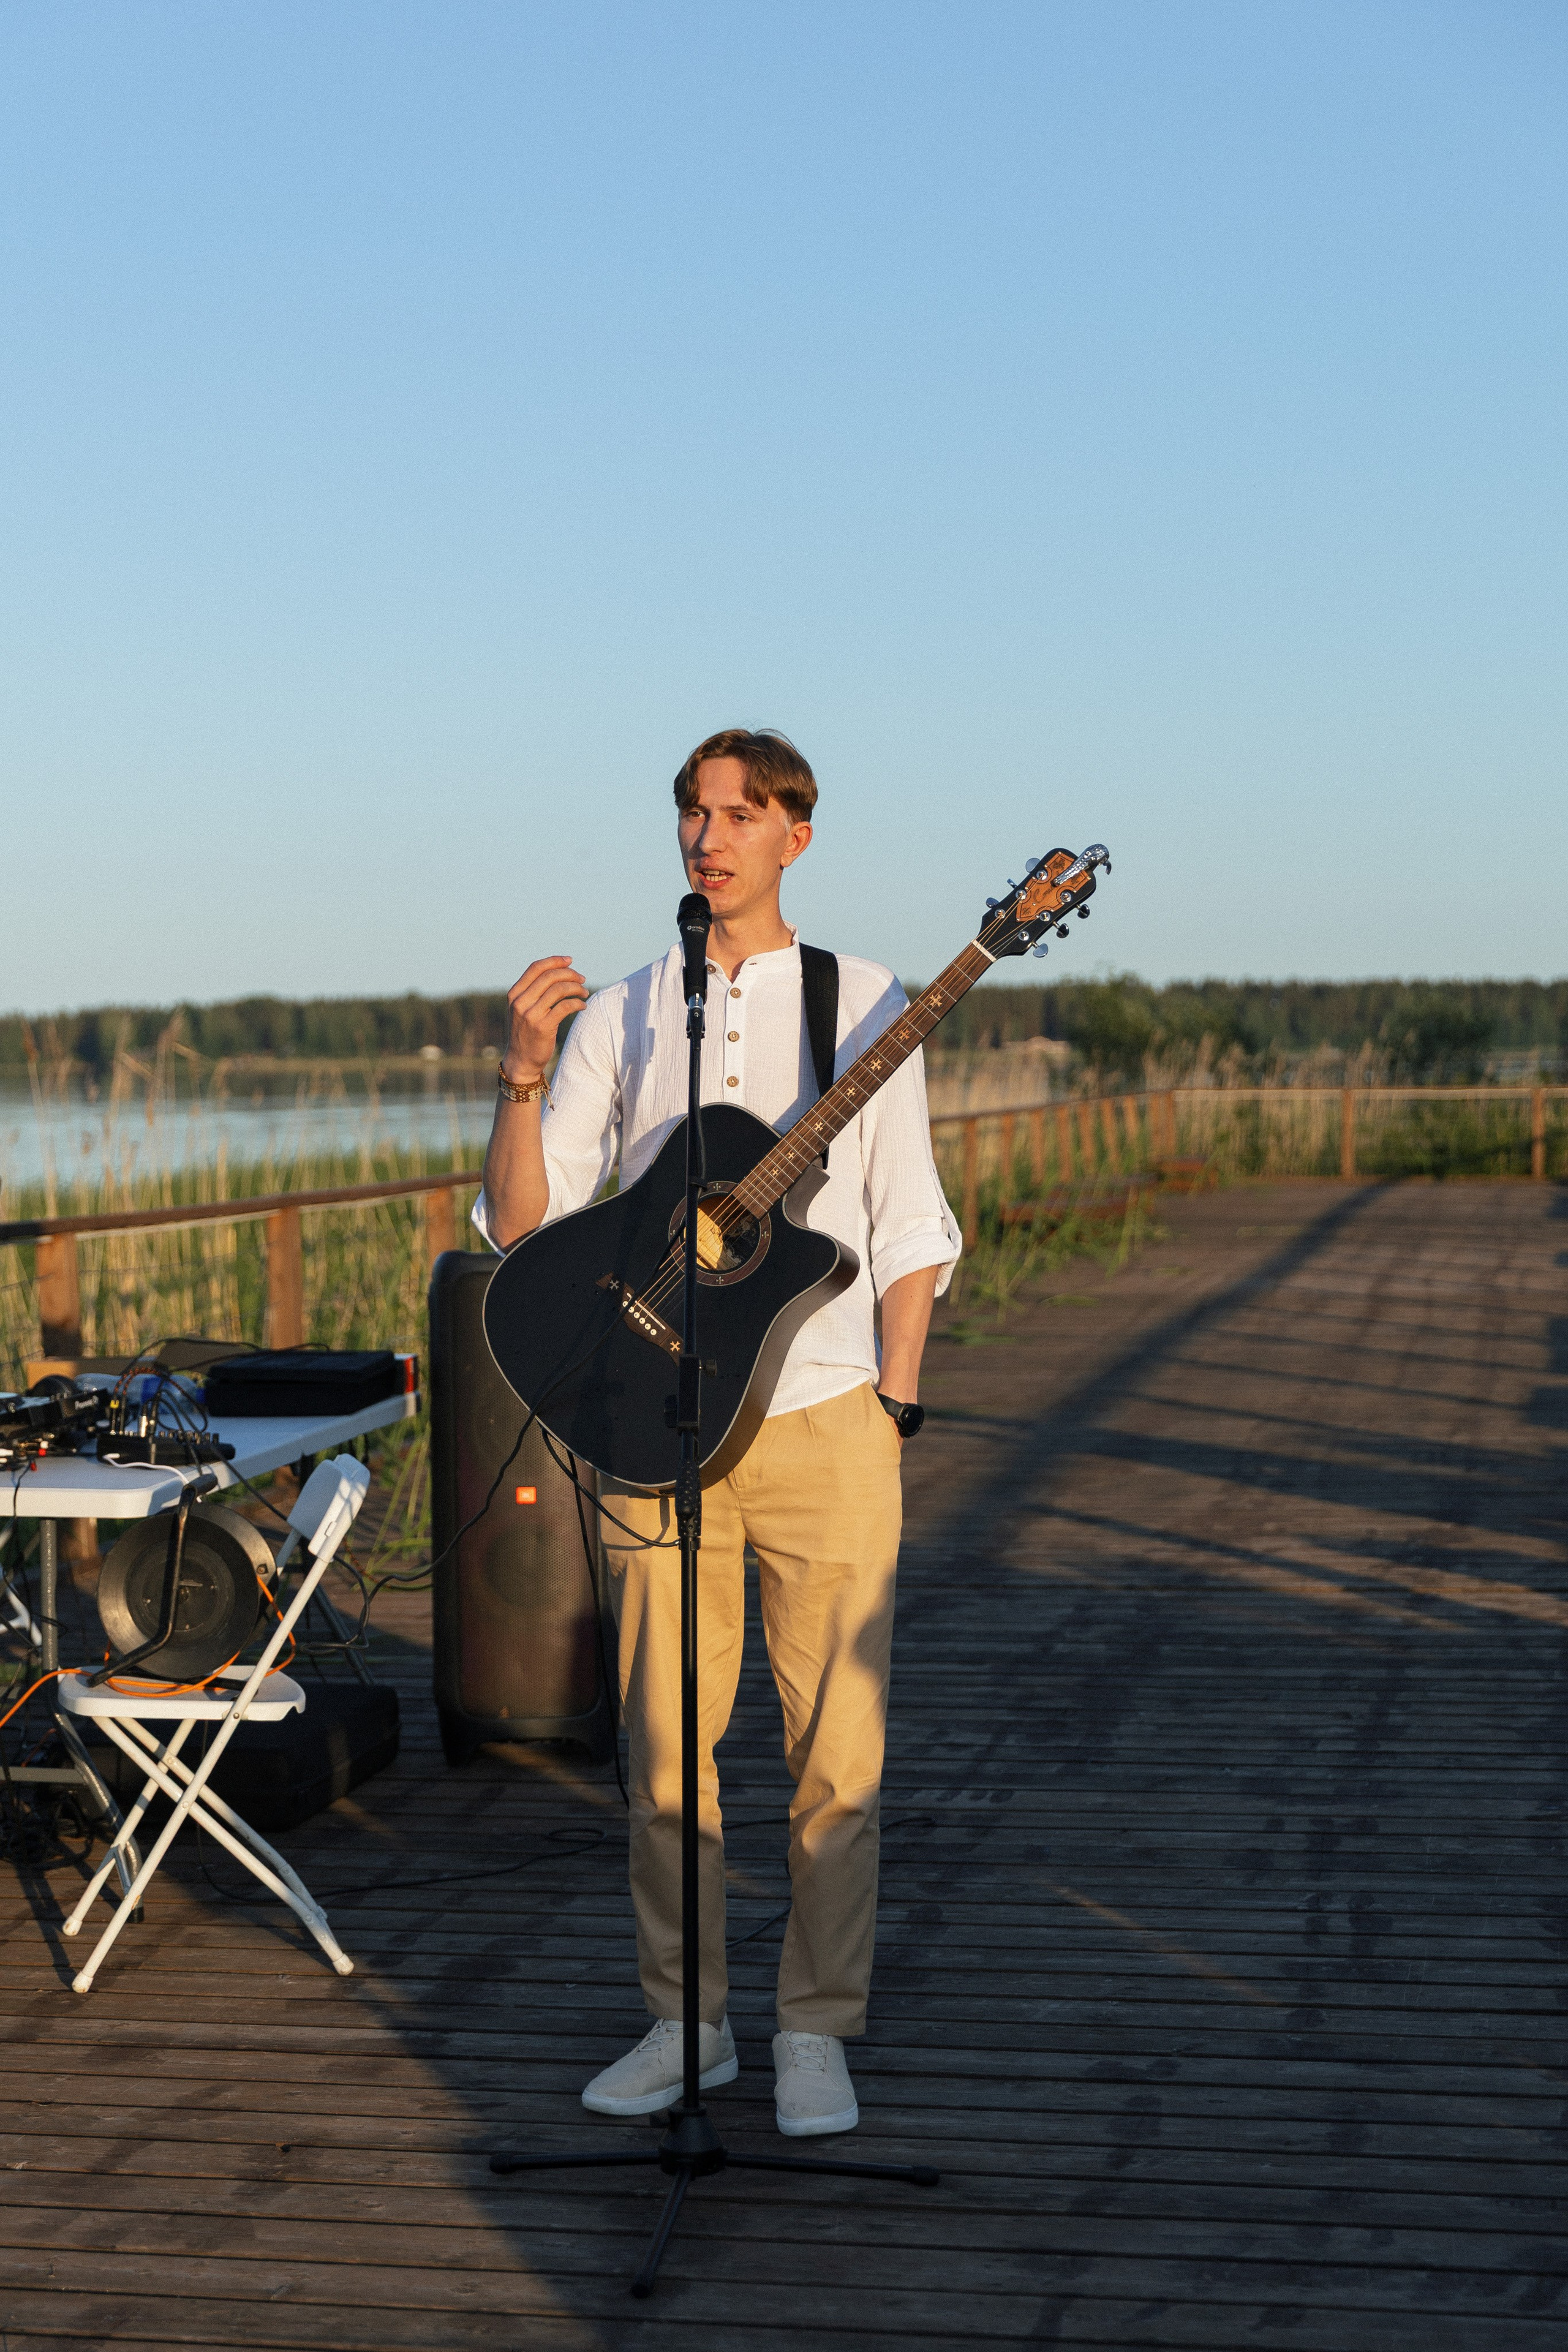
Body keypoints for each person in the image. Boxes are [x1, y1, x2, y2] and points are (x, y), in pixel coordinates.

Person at [475, 728, 960, 2136]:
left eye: (740, 815)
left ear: (794, 835)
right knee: (661, 1748)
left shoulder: (865, 1002)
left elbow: (907, 1218)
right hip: (651, 1429)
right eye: (693, 813)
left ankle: (813, 2030)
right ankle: (685, 2024)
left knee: (836, 1752)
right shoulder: (630, 1013)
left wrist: (897, 1389)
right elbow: (522, 1227)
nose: (709, 836)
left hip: (822, 1418)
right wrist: (521, 1069)